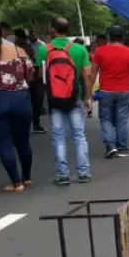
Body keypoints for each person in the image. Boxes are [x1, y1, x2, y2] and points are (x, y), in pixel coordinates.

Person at [36, 16, 94, 185]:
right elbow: (87, 75)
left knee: (59, 137)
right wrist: (88, 97)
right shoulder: (79, 49)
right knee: (79, 135)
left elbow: (41, 75)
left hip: (54, 99)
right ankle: (84, 172)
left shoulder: (44, 49)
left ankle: (62, 175)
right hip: (74, 96)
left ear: (53, 30)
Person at [0, 20, 35, 192]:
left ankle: (16, 182)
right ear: (2, 33)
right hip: (21, 99)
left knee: (4, 142)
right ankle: (27, 177)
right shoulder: (19, 51)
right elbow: (31, 75)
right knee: (23, 141)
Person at [91, 25, 129, 158]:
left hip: (106, 90)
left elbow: (93, 72)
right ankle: (122, 147)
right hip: (125, 90)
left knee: (106, 118)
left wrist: (89, 91)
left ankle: (110, 145)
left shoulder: (100, 51)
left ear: (109, 37)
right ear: (123, 37)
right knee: (122, 119)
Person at [15, 29, 47, 134]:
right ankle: (35, 125)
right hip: (32, 78)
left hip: (22, 78)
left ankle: (25, 125)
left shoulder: (12, 47)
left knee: (27, 102)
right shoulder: (27, 47)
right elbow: (35, 62)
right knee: (35, 101)